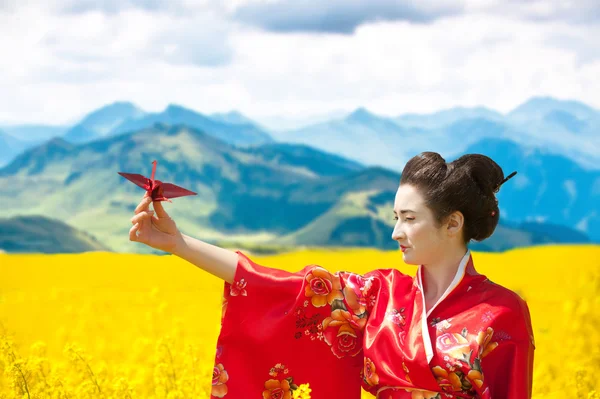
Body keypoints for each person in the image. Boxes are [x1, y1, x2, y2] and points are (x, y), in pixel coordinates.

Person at [129, 152, 535, 399]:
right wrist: (179, 245)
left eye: (409, 219)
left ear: (452, 223)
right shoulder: (381, 295)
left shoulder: (502, 314)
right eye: (396, 217)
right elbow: (280, 288)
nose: (396, 232)